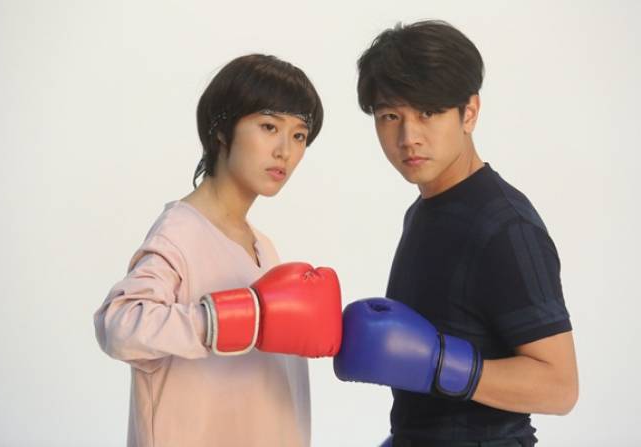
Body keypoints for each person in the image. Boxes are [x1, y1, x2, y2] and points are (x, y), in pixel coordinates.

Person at [334, 21, 578, 447]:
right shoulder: (424, 211)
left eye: (427, 113)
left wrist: (438, 364)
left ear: (470, 112)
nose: (408, 137)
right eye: (390, 116)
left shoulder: (505, 226)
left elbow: (560, 387)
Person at [94, 54, 342, 447]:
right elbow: (119, 325)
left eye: (299, 135)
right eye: (269, 127)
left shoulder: (263, 247)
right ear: (222, 130)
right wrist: (225, 320)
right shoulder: (180, 232)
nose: (285, 150)